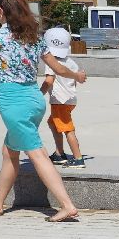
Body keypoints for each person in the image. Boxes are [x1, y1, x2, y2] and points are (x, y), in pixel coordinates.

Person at [0, 0, 86, 222]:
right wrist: (77, 76)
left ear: (0, 12)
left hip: (13, 105)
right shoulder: (34, 37)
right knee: (9, 151)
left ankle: (67, 205)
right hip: (35, 101)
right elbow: (57, 68)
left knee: (37, 154)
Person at [41, 26, 85, 168]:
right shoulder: (71, 62)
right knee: (53, 123)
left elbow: (49, 81)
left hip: (59, 102)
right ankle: (59, 154)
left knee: (67, 129)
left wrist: (38, 94)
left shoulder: (51, 62)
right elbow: (74, 81)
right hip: (70, 100)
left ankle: (78, 158)